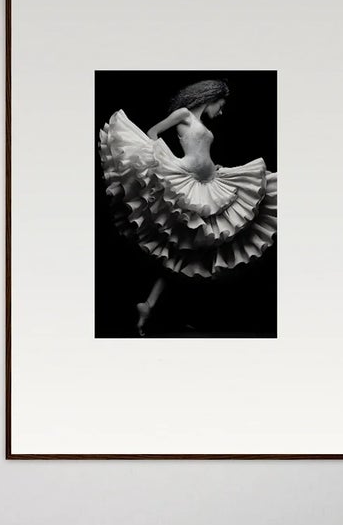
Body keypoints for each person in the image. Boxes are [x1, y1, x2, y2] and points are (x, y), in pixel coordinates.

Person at [97, 78, 278, 334]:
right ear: (210, 98)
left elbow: (202, 153)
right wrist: (169, 164)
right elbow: (153, 134)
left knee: (186, 254)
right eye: (221, 105)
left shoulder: (200, 123)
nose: (221, 111)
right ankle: (163, 309)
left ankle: (149, 305)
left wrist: (211, 168)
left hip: (208, 182)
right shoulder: (183, 115)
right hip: (187, 183)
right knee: (187, 251)